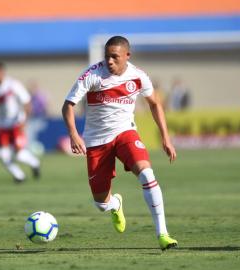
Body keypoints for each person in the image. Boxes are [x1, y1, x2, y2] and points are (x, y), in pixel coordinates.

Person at [62, 36, 178, 250]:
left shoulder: (139, 76)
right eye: (107, 57)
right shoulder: (93, 74)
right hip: (97, 141)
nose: (110, 61)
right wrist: (74, 134)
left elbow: (155, 104)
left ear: (127, 56)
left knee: (147, 173)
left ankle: (163, 234)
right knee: (101, 204)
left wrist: (166, 137)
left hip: (125, 133)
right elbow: (67, 105)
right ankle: (115, 204)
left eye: (114, 57)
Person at [0, 62, 41, 182]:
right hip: (2, 126)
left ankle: (35, 163)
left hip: (16, 123)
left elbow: (27, 103)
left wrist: (25, 120)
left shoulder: (13, 85)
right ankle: (19, 176)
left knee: (19, 154)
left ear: (3, 73)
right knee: (3, 156)